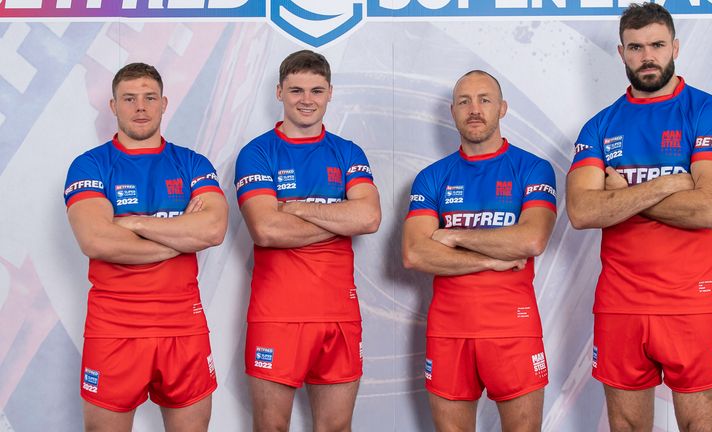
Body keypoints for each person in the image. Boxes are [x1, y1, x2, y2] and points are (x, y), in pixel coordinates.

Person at [566, 3, 712, 431]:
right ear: (622, 52)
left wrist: (623, 196)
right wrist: (669, 183)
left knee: (700, 424)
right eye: (637, 47)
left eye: (658, 45)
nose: (648, 57)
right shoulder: (600, 126)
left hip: (691, 302)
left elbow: (709, 208)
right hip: (620, 303)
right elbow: (583, 210)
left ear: (675, 46)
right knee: (625, 425)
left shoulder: (708, 113)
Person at [64, 63, 228, 432]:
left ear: (164, 103)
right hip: (115, 329)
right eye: (130, 98)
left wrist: (135, 223)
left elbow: (214, 228)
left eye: (149, 97)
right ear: (113, 106)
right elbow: (97, 240)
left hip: (183, 328)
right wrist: (181, 236)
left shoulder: (191, 163)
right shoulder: (90, 165)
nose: (141, 106)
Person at [402, 70, 557, 431]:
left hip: (513, 329)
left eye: (484, 99)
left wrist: (452, 234)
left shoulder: (532, 168)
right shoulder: (432, 177)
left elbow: (531, 240)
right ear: (452, 111)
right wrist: (490, 258)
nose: (475, 109)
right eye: (464, 101)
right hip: (448, 331)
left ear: (502, 108)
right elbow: (415, 253)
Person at [234, 50, 381, 432]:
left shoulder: (348, 153)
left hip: (339, 313)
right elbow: (266, 229)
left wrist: (295, 207)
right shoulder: (258, 153)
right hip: (277, 314)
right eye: (296, 89)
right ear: (279, 91)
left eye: (316, 90)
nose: (306, 99)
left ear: (330, 93)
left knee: (335, 428)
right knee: (272, 427)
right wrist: (340, 218)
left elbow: (368, 217)